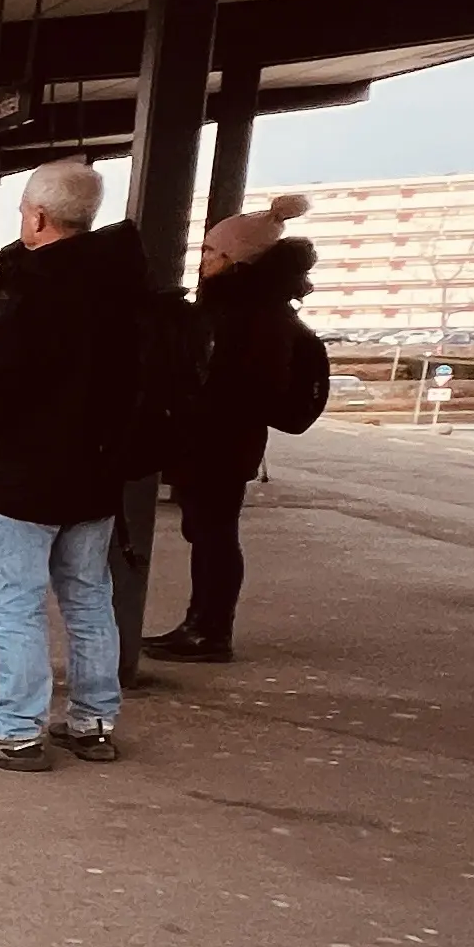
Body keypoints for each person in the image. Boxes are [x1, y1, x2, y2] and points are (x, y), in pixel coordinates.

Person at [0, 155, 148, 771]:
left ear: (37, 216)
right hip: (97, 474)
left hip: (23, 476)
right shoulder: (125, 289)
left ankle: (15, 728)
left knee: (15, 601)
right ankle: (93, 720)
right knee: (88, 598)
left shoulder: (31, 293)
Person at [145, 195, 317, 664]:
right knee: (207, 532)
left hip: (220, 442)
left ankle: (210, 630)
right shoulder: (248, 309)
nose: (203, 262)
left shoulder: (248, 316)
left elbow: (236, 384)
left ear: (236, 261)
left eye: (211, 253)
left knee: (214, 534)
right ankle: (202, 624)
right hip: (222, 441)